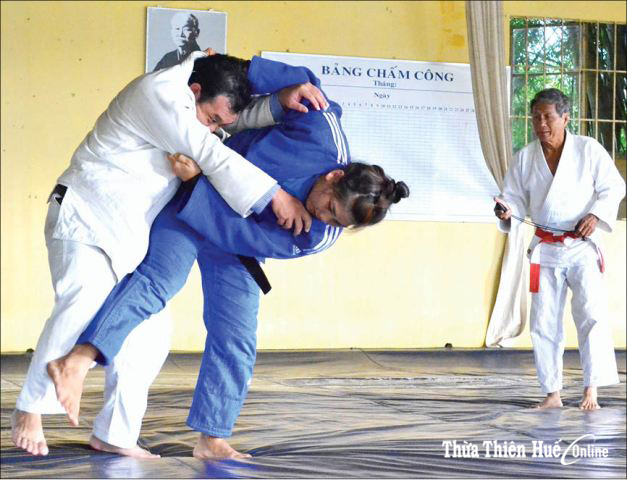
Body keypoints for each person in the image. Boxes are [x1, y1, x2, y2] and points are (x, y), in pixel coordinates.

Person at [47, 56, 410, 460]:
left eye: (337, 221)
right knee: (158, 281)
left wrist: (197, 184)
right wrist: (280, 89)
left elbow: (241, 234)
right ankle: (79, 359)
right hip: (191, 206)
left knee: (236, 335)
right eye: (329, 207)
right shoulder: (321, 132)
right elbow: (297, 82)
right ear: (335, 175)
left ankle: (213, 438)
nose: (325, 218)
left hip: (226, 226)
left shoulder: (319, 234)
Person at [11, 49, 329, 458]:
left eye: (219, 123)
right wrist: (275, 196)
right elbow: (210, 151)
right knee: (83, 301)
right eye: (212, 119)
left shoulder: (199, 105)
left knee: (151, 334)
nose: (215, 129)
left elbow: (229, 119)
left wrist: (278, 102)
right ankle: (30, 410)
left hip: (125, 230)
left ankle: (114, 434)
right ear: (194, 91)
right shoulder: (158, 93)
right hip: (84, 213)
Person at [494, 88, 625, 410]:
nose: (541, 124)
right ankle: (552, 393)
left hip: (582, 246)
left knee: (591, 316)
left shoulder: (588, 149)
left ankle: (591, 389)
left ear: (565, 118)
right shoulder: (525, 157)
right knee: (544, 321)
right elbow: (513, 197)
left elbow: (613, 187)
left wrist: (596, 215)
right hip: (546, 249)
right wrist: (506, 210)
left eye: (548, 117)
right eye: (536, 117)